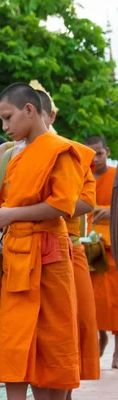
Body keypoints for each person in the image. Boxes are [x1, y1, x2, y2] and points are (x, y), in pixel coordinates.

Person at [0, 83, 82, 400]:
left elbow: (62, 205)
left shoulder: (60, 150)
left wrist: (11, 215)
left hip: (49, 256)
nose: (5, 127)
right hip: (15, 258)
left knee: (52, 343)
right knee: (13, 340)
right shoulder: (6, 153)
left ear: (29, 110)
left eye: (8, 118)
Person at [36, 90, 100, 388]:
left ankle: (65, 386)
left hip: (67, 246)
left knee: (75, 325)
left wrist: (49, 205)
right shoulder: (13, 153)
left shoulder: (70, 152)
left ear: (49, 115)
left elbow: (86, 202)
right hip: (27, 249)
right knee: (36, 333)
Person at [84, 135, 118, 367]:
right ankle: (101, 336)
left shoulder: (115, 177)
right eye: (90, 154)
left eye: (99, 153)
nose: (95, 159)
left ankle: (117, 350)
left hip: (112, 247)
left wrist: (109, 210)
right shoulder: (82, 177)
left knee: (114, 300)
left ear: (107, 151)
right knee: (92, 299)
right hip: (88, 246)